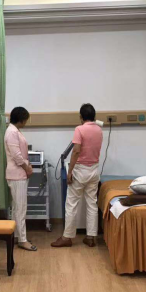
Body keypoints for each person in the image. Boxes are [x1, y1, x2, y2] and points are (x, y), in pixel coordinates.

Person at [51, 103, 103, 248]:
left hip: (80, 170)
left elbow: (76, 151)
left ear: (81, 117)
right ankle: (91, 237)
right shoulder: (99, 130)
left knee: (71, 204)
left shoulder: (79, 129)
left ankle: (67, 237)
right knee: (92, 204)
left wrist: (70, 171)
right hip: (94, 170)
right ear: (94, 116)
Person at [4, 107, 37, 251]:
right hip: (17, 175)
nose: (26, 122)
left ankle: (18, 236)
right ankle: (22, 240)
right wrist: (27, 168)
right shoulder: (12, 132)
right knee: (20, 208)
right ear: (22, 119)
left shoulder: (14, 131)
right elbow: (17, 156)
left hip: (18, 174)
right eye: (26, 120)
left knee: (18, 207)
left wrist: (27, 166)